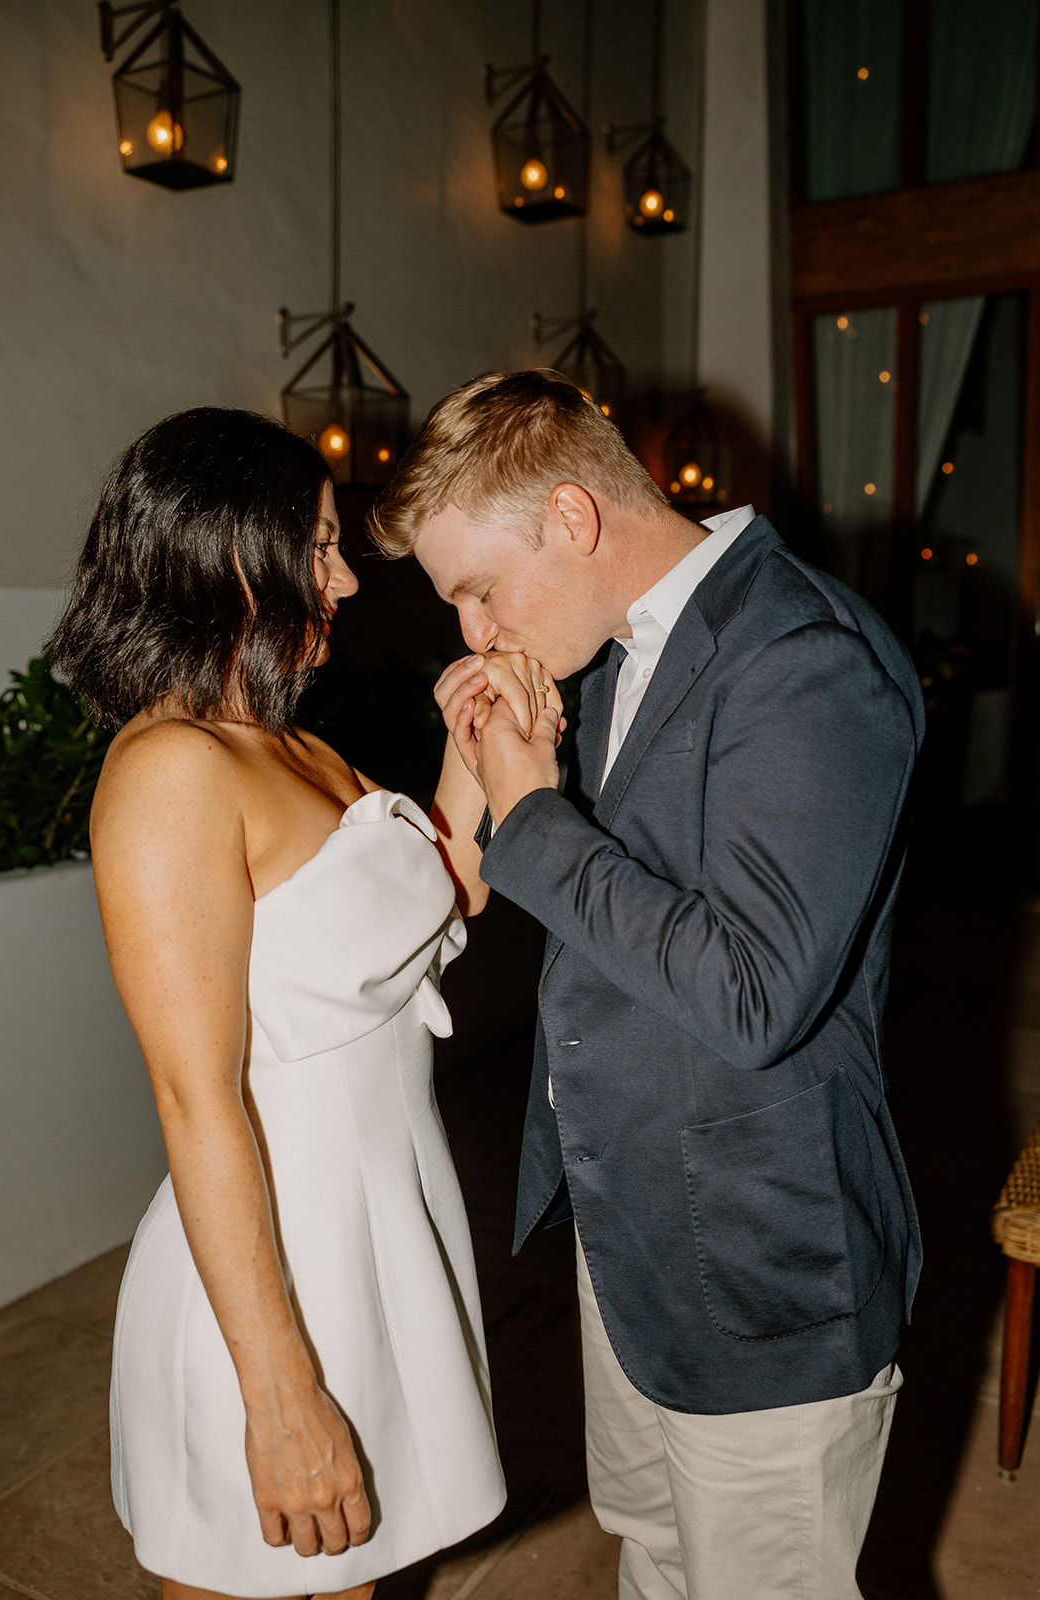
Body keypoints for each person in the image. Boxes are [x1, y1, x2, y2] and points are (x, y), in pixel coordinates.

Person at [367, 369, 925, 1600]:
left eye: (477, 588)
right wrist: (502, 773)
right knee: (657, 1557)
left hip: (761, 1264)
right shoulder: (615, 651)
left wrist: (531, 812)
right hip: (630, 1242)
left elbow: (751, 993)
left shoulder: (804, 658)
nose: (475, 629)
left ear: (570, 519)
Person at [47, 407, 560, 1600]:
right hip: (271, 1265)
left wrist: (474, 743)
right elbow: (196, 1099)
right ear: (234, 553)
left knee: (359, 1582)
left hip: (379, 1233)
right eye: (319, 542)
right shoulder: (170, 771)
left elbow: (440, 897)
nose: (340, 575)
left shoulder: (293, 745)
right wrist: (278, 1389)